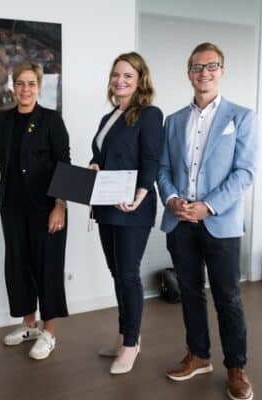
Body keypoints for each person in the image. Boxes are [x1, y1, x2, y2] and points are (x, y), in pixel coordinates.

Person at [158, 42, 257, 400]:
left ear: (222, 71)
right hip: (179, 220)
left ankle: (236, 368)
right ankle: (199, 355)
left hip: (220, 222)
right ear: (188, 73)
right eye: (197, 67)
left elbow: (245, 173)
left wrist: (208, 206)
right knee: (190, 293)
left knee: (228, 298)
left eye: (211, 66)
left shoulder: (242, 117)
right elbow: (163, 168)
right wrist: (172, 199)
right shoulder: (173, 121)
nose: (204, 72)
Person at [0, 62, 70, 360]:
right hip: (12, 207)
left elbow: (64, 164)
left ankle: (49, 333)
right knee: (19, 267)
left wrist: (60, 205)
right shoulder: (3, 121)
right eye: (20, 83)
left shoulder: (51, 120)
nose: (25, 89)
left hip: (47, 207)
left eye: (31, 83)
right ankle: (29, 325)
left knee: (47, 268)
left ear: (39, 87)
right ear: (13, 86)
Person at [89, 52, 164, 374]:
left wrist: (140, 195)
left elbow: (151, 159)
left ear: (140, 80)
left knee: (129, 275)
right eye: (116, 75)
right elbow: (101, 157)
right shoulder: (108, 118)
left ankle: (131, 345)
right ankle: (124, 337)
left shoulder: (149, 114)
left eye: (128, 75)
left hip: (133, 206)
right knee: (117, 273)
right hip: (106, 204)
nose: (120, 80)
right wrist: (95, 166)